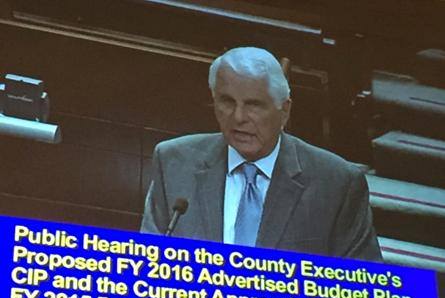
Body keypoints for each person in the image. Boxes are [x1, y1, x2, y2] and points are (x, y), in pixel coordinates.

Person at [141, 47, 381, 261]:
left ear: (284, 111)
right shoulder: (173, 162)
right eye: (227, 102)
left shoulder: (337, 184)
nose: (238, 117)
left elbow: (363, 287)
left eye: (254, 105)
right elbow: (149, 263)